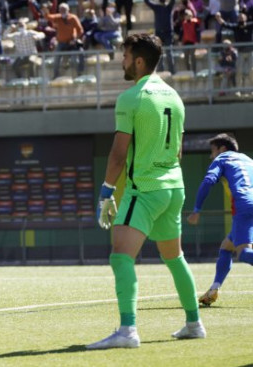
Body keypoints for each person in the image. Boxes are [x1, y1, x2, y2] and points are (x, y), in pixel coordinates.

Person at [89, 33, 204, 350]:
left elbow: (117, 155)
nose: (121, 61)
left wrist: (105, 193)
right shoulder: (174, 97)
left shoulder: (131, 98)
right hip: (174, 188)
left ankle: (127, 331)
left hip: (144, 190)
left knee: (120, 256)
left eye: (125, 56)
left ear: (139, 61)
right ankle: (194, 323)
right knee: (174, 257)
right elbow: (178, 152)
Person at [187, 134, 253, 306]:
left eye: (212, 151)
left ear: (222, 149)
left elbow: (208, 181)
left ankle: (214, 289)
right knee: (226, 246)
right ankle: (214, 289)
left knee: (244, 253)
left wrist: (196, 210)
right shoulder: (248, 160)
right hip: (248, 207)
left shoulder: (223, 158)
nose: (211, 156)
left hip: (245, 207)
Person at [43, 3, 85, 79]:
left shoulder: (73, 18)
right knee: (56, 58)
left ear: (68, 10)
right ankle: (55, 75)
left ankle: (79, 73)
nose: (62, 11)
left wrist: (75, 39)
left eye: (64, 10)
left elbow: (80, 30)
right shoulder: (58, 17)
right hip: (61, 43)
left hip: (72, 43)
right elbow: (48, 17)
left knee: (75, 59)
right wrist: (46, 10)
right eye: (61, 10)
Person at [217, 12, 253, 88]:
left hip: (250, 52)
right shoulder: (236, 27)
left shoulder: (250, 26)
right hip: (240, 52)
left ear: (246, 18)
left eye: (243, 17)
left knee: (251, 71)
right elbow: (224, 24)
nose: (241, 19)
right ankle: (238, 89)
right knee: (239, 71)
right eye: (240, 17)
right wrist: (218, 17)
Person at [144, 0, 176, 74]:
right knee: (160, 53)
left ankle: (172, 71)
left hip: (168, 33)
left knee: (169, 53)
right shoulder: (157, 7)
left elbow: (147, 2)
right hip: (159, 34)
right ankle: (161, 71)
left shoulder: (168, 7)